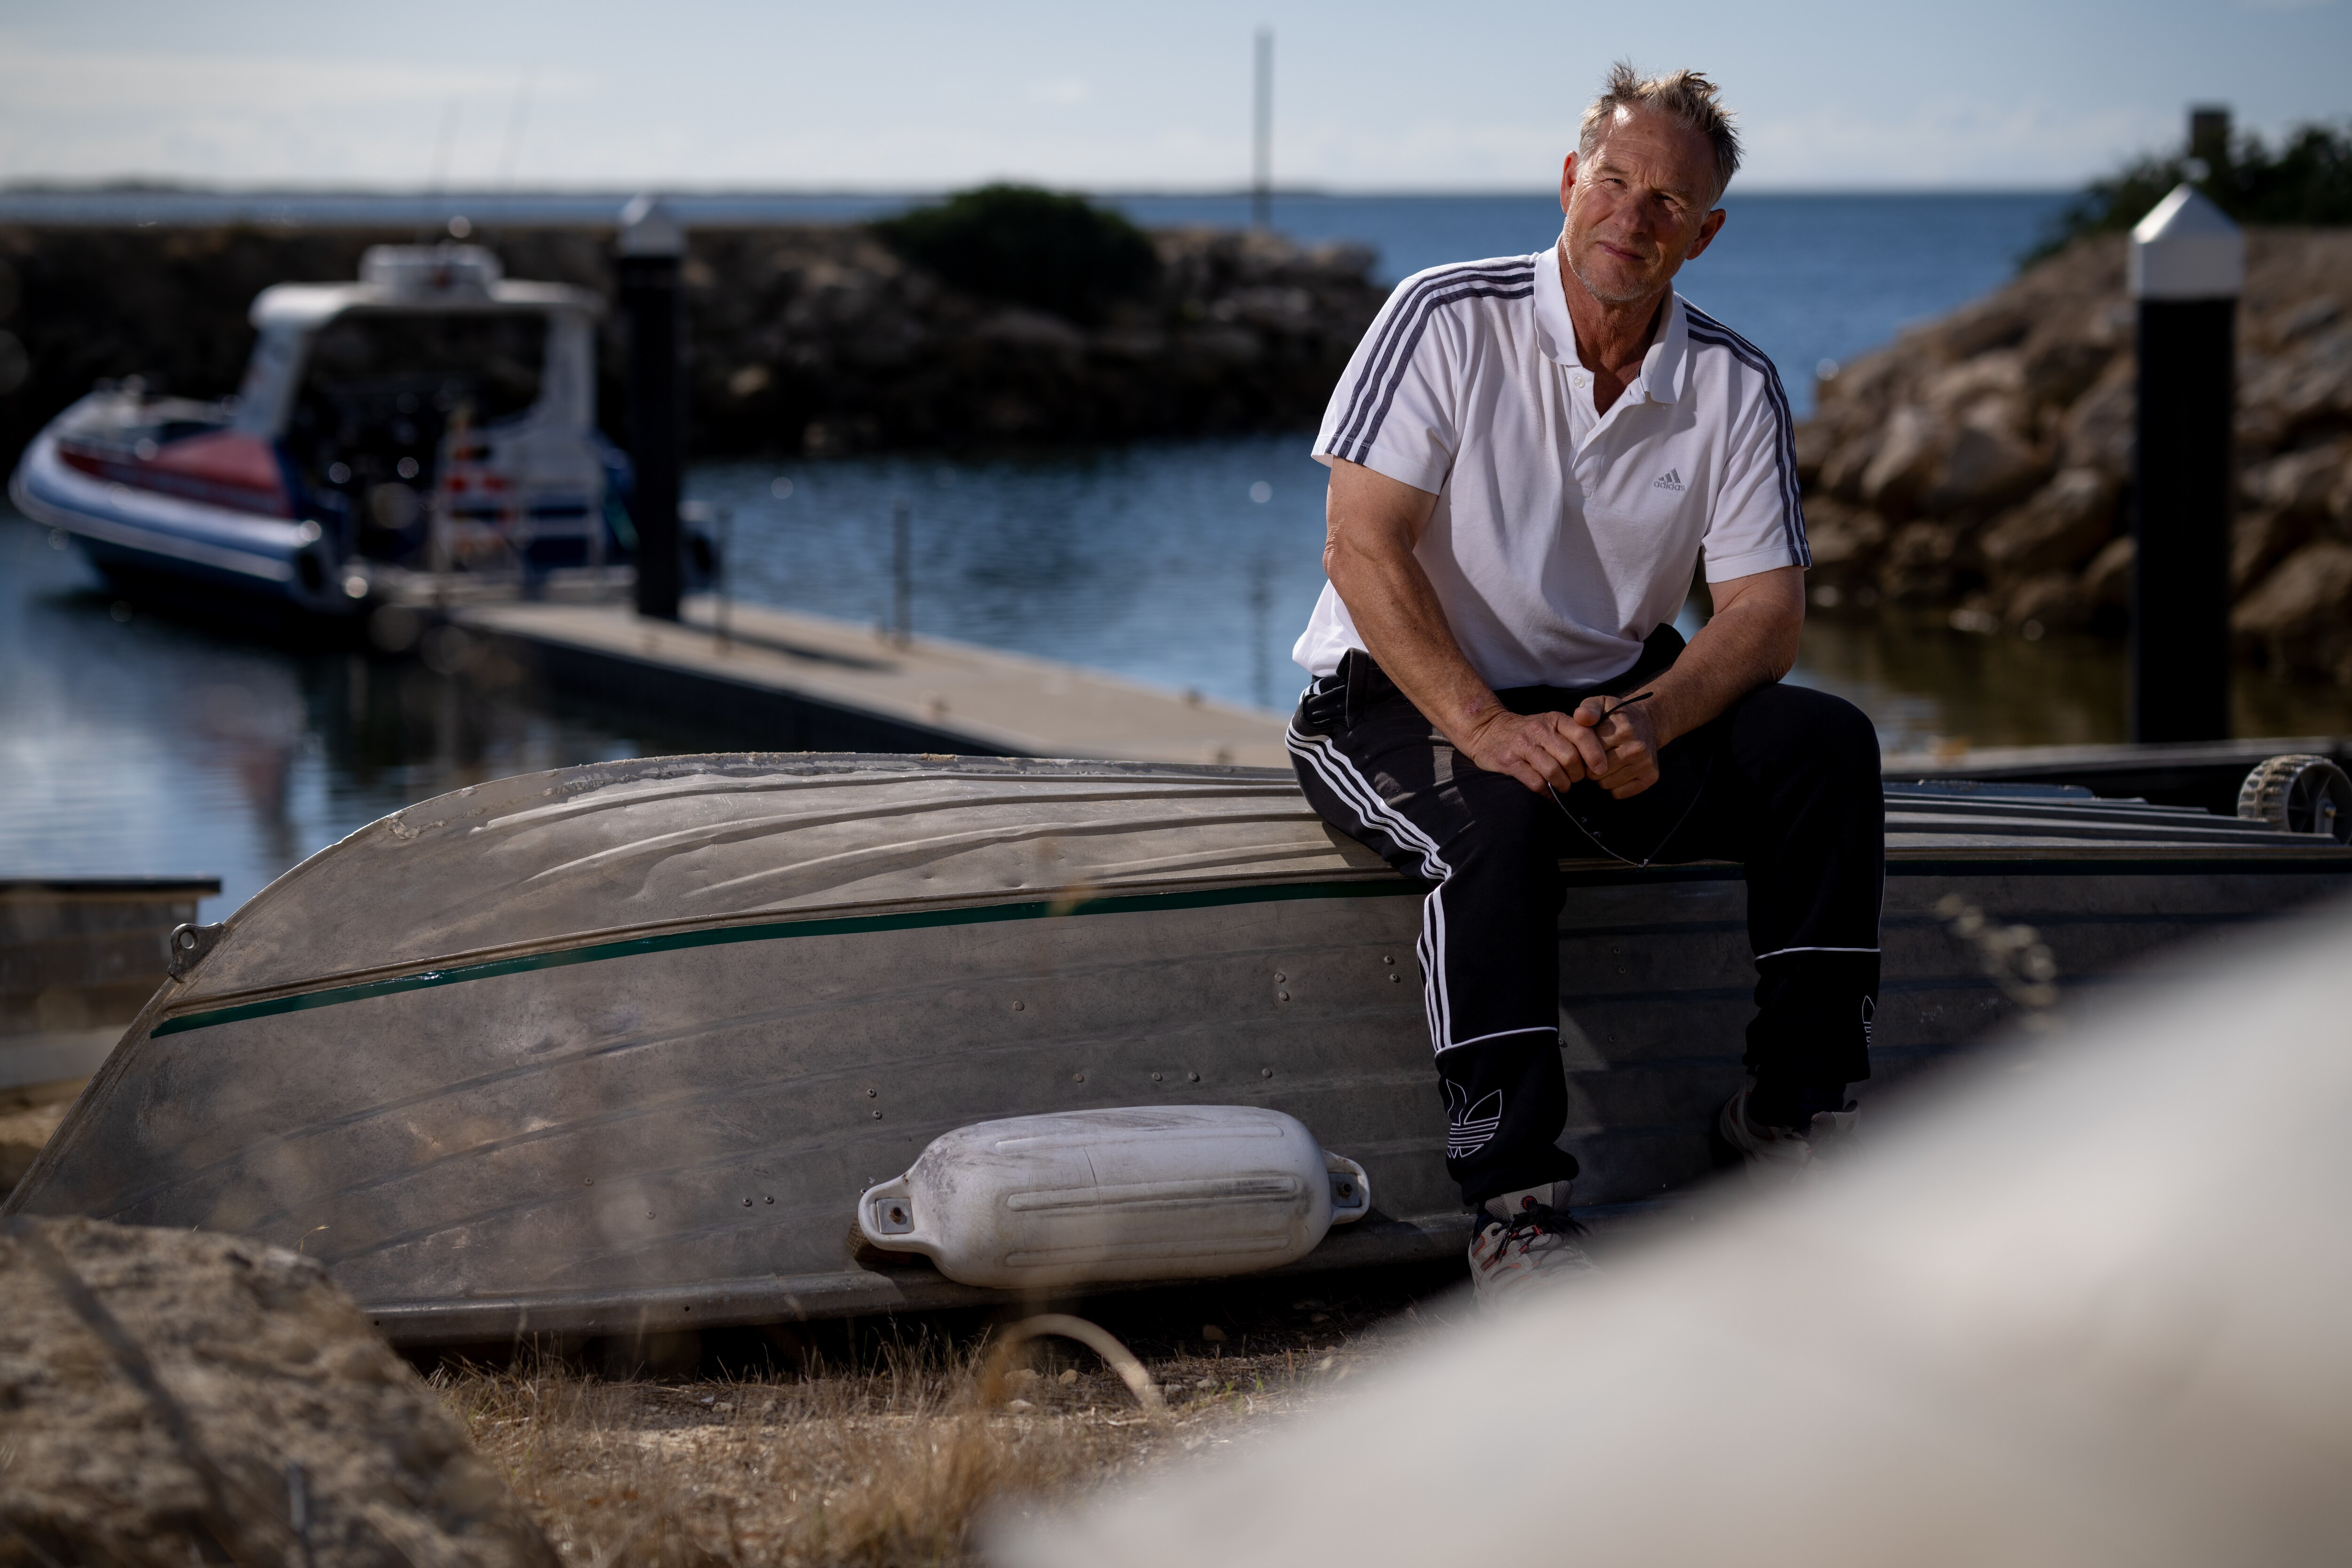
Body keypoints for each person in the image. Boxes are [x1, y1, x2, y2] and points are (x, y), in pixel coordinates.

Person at [1285, 64, 1884, 1303]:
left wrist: (1654, 716)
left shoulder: (1732, 383)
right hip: (1396, 694)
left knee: (1822, 746)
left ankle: (1789, 1116)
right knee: (1493, 816)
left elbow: (1766, 615)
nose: (1633, 216)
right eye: (1614, 181)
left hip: (1611, 703)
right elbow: (1360, 543)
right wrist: (1486, 725)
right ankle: (1516, 1206)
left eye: (1670, 202)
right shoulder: (1445, 315)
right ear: (1570, 181)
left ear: (1705, 234)